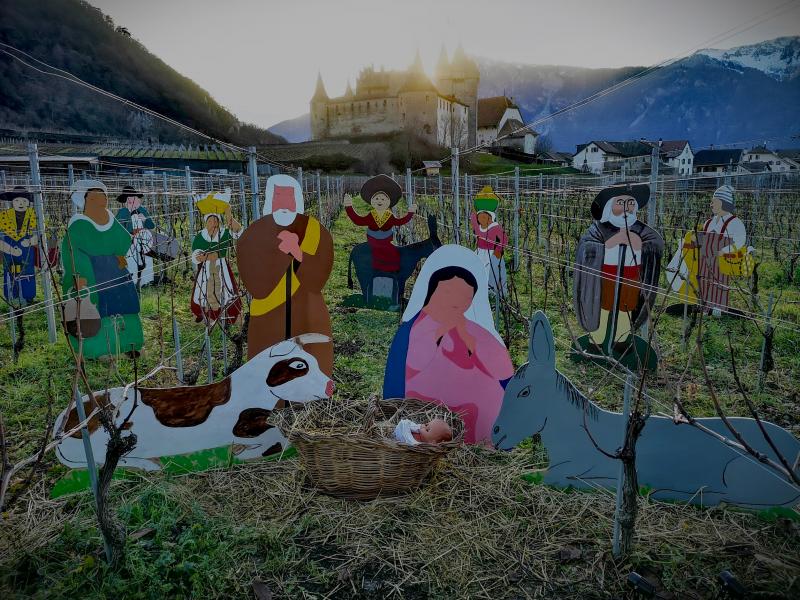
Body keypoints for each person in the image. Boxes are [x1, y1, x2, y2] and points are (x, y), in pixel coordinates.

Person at [383, 245, 515, 445]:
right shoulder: (413, 330)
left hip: (476, 419)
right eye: (448, 292)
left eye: (465, 297)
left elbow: (503, 374)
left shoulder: (473, 329)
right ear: (432, 290)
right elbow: (404, 372)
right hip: (423, 408)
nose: (456, 302)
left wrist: (469, 341)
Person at [237, 174, 334, 375]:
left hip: (307, 307)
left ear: (297, 200)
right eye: (278, 197)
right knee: (268, 361)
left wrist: (298, 253)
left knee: (307, 357)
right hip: (268, 312)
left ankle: (307, 399)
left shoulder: (315, 231)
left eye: (289, 197)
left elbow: (320, 274)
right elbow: (252, 276)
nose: (283, 204)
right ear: (269, 200)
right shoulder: (254, 233)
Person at [573, 182, 664, 354]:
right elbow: (587, 247)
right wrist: (609, 244)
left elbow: (655, 243)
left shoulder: (640, 230)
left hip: (631, 278)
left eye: (630, 203)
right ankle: (597, 341)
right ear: (610, 206)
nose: (626, 208)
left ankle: (620, 340)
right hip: (605, 278)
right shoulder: (599, 229)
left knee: (626, 310)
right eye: (620, 203)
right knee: (603, 308)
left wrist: (638, 244)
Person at [62, 180, 143, 359]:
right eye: (94, 197)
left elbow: (123, 239)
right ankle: (100, 349)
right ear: (86, 201)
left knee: (126, 306)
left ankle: (129, 344)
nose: (101, 200)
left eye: (103, 196)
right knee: (101, 310)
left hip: (116, 272)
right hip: (93, 273)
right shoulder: (78, 225)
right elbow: (71, 251)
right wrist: (79, 275)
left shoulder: (110, 219)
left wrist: (119, 255)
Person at [190, 190, 243, 326]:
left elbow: (238, 232)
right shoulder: (200, 236)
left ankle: (231, 315)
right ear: (206, 222)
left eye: (215, 220)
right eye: (210, 220)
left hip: (222, 267)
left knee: (227, 289)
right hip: (206, 269)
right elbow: (195, 255)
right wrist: (203, 257)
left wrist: (228, 214)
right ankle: (204, 315)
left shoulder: (224, 234)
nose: (213, 223)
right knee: (203, 290)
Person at [344, 174, 415, 272]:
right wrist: (349, 207)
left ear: (389, 201)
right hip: (372, 242)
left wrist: (410, 213)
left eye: (383, 199)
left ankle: (391, 272)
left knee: (393, 254)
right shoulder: (371, 215)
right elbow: (358, 220)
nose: (379, 201)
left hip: (386, 243)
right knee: (372, 257)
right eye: (377, 199)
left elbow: (399, 222)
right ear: (371, 201)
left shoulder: (389, 216)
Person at [695, 185, 748, 316]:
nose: (711, 204)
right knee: (703, 283)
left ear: (724, 203)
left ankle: (718, 311)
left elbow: (740, 241)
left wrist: (724, 251)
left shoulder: (735, 222)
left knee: (719, 284)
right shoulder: (708, 222)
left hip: (721, 262)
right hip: (704, 261)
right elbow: (702, 240)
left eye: (715, 201)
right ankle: (703, 308)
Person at [0, 186, 38, 305]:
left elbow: (41, 234)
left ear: (28, 203)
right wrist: (10, 250)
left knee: (28, 272)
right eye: (17, 200)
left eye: (24, 201)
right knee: (10, 271)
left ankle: (28, 296)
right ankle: (12, 295)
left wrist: (31, 241)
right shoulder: (4, 216)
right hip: (9, 247)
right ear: (12, 202)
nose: (20, 203)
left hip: (27, 250)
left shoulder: (34, 216)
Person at [469, 185, 508, 295]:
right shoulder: (479, 227)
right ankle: (479, 289)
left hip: (492, 254)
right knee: (477, 270)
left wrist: (498, 250)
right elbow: (473, 219)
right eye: (479, 217)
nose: (480, 219)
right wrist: (474, 207)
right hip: (480, 252)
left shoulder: (495, 228)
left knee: (492, 272)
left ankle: (493, 292)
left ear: (490, 218)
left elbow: (504, 239)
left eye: (483, 217)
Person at [115, 186, 155, 287]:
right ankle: (132, 282)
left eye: (132, 197)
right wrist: (129, 235)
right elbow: (118, 229)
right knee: (131, 262)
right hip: (130, 243)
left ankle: (145, 283)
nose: (130, 200)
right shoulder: (122, 212)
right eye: (128, 198)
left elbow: (151, 225)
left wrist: (145, 219)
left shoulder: (142, 210)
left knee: (146, 261)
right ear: (125, 200)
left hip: (144, 241)